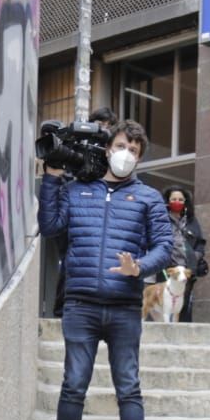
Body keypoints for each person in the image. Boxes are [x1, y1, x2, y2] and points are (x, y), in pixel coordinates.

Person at [39, 120, 173, 420]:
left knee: (128, 386)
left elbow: (164, 246)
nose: (125, 154)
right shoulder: (77, 189)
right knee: (73, 385)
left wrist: (141, 267)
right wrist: (51, 175)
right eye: (120, 146)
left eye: (133, 150)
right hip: (80, 303)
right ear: (107, 148)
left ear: (139, 157)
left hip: (124, 307)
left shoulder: (147, 198)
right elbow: (49, 226)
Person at [49, 106, 118, 318]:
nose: (103, 130)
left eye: (107, 126)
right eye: (100, 124)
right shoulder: (78, 144)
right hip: (72, 208)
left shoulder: (113, 153)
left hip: (98, 210)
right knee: (71, 259)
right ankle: (62, 309)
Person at [160, 186, 207, 322]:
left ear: (185, 202)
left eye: (180, 199)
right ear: (168, 201)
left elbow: (200, 242)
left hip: (187, 271)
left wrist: (196, 256)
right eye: (174, 199)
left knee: (184, 305)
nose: (177, 202)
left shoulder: (191, 220)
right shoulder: (161, 219)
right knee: (165, 305)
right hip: (167, 269)